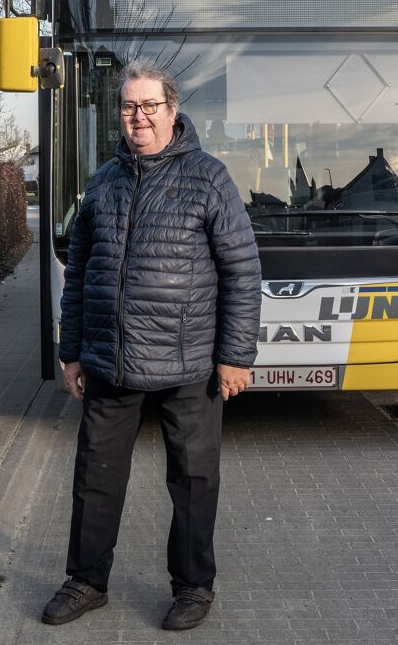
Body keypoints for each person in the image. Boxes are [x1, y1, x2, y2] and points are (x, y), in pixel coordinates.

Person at [41, 62, 261, 631]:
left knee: (192, 480)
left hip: (187, 364)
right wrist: (72, 351)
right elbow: (81, 268)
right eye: (129, 107)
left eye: (150, 106)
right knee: (95, 475)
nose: (139, 117)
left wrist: (235, 356)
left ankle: (193, 587)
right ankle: (86, 580)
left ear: (171, 111)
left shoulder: (208, 178)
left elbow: (241, 271)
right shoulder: (105, 180)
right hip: (110, 360)